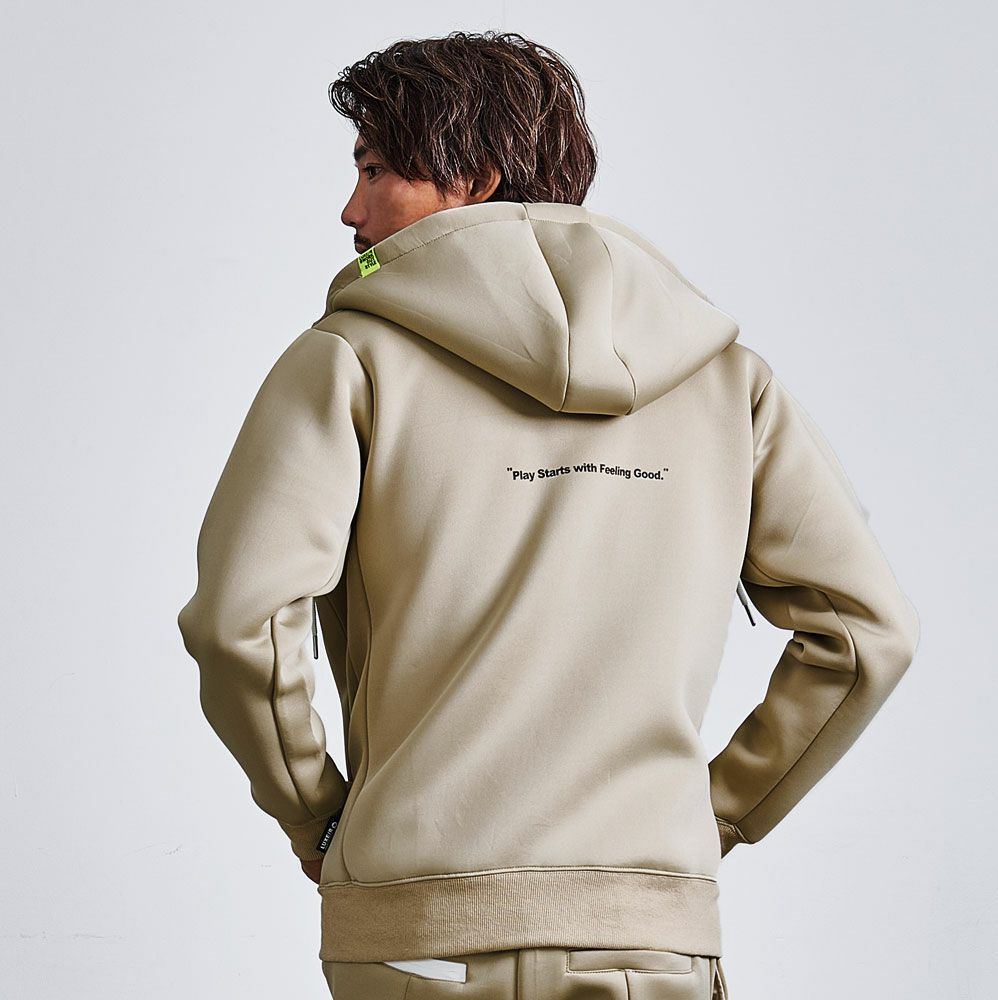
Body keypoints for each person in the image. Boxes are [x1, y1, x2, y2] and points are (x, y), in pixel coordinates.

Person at [176, 30, 920, 1000]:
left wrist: (316, 816)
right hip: (649, 935)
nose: (351, 210)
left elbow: (240, 621)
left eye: (376, 170)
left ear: (474, 178)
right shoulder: (726, 379)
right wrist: (707, 819)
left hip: (420, 928)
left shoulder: (349, 359)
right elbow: (865, 634)